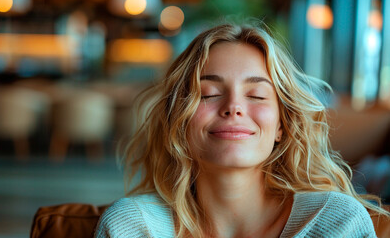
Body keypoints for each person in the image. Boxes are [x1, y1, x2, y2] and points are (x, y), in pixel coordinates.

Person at [95, 22, 389, 238]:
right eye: (208, 93)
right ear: (179, 120)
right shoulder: (132, 226)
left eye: (257, 96)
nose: (233, 107)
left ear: (281, 127)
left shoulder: (337, 222)